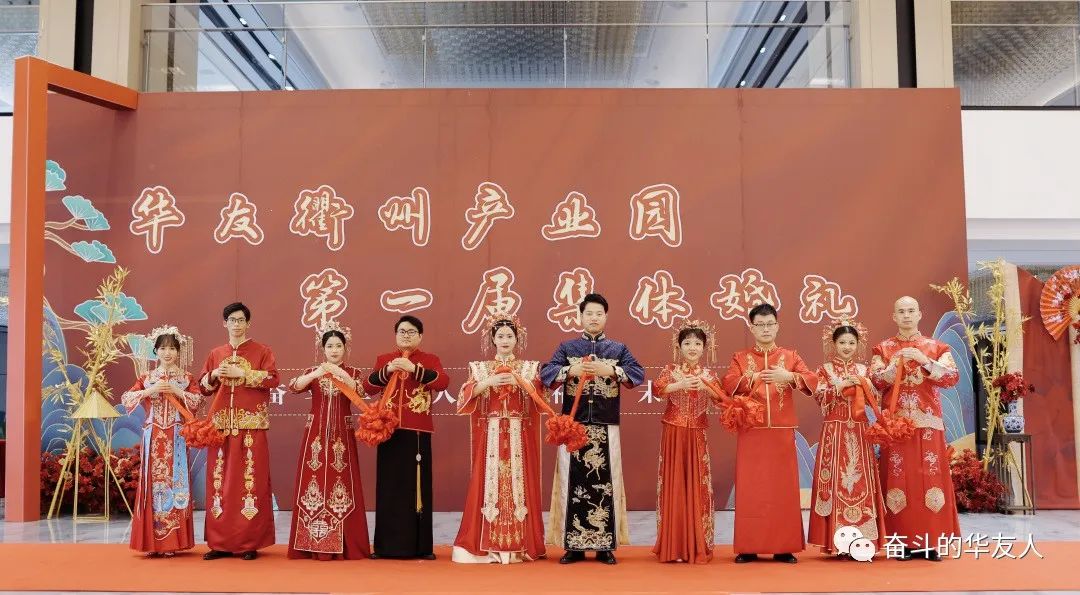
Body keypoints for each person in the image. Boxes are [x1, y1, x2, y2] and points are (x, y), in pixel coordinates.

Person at [541, 293, 644, 565]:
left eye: (599, 313)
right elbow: (546, 373)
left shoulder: (618, 349)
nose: (594, 318)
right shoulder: (567, 347)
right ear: (580, 317)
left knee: (607, 483)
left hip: (605, 425)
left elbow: (637, 374)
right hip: (573, 425)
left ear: (606, 317)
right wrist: (570, 370)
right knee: (571, 482)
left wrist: (610, 371)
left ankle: (604, 547)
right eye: (589, 313)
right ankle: (572, 547)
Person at [720, 303, 816, 564]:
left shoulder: (790, 356)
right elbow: (728, 383)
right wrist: (751, 378)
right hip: (751, 430)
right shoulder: (740, 357)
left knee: (783, 491)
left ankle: (784, 547)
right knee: (752, 489)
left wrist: (789, 376)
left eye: (769, 324)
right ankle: (748, 547)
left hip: (782, 431)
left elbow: (811, 380)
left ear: (777, 326)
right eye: (760, 325)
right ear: (752, 328)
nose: (765, 329)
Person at [870, 296, 961, 561]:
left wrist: (924, 360)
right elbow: (875, 381)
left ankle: (931, 542)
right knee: (898, 481)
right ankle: (901, 543)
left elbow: (952, 377)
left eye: (911, 311)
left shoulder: (937, 347)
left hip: (929, 425)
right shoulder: (883, 349)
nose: (906, 315)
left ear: (920, 314)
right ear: (894, 317)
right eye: (901, 311)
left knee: (929, 481)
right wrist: (893, 366)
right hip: (896, 427)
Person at [452, 314, 546, 564]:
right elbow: (464, 397)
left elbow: (540, 397)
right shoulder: (479, 368)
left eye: (509, 336)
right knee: (489, 486)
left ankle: (520, 546)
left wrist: (521, 381)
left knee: (519, 486)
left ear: (517, 339)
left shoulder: (529, 368)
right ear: (492, 339)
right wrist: (488, 382)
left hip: (518, 435)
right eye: (500, 336)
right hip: (491, 434)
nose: (505, 340)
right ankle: (488, 545)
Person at [362, 315, 450, 559]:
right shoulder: (385, 359)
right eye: (402, 331)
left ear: (420, 336)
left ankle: (420, 547)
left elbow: (443, 382)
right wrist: (388, 370)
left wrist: (415, 369)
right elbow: (368, 387)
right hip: (387, 431)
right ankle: (385, 547)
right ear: (395, 335)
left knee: (416, 489)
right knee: (389, 488)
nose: (406, 335)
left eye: (411, 332)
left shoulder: (429, 359)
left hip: (417, 432)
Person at [199, 302, 279, 561]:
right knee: (219, 485)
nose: (236, 324)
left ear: (248, 323)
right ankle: (219, 543)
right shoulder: (215, 353)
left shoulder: (262, 351)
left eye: (241, 320)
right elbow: (203, 388)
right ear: (224, 323)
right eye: (232, 320)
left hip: (251, 427)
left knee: (249, 483)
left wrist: (242, 373)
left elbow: (273, 379)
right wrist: (213, 374)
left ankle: (249, 542)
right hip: (220, 428)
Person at [286, 322, 371, 560]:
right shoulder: (313, 372)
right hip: (315, 436)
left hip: (342, 436)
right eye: (330, 346)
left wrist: (342, 375)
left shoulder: (353, 372)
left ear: (345, 348)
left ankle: (346, 544)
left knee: (343, 482)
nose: (334, 350)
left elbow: (361, 392)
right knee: (312, 483)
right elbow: (294, 386)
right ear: (322, 349)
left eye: (338, 346)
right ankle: (311, 543)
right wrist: (316, 374)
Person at [807, 320, 887, 555]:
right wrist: (840, 386)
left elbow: (876, 398)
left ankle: (864, 538)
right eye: (842, 342)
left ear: (858, 345)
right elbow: (819, 397)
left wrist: (864, 384)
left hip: (860, 431)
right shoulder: (824, 370)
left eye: (852, 343)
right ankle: (837, 542)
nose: (847, 347)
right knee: (834, 481)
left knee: (863, 482)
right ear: (834, 344)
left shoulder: (864, 370)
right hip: (834, 432)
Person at [121, 326, 201, 557]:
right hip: (153, 436)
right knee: (153, 485)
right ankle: (151, 542)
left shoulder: (186, 378)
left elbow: (198, 402)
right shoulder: (147, 378)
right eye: (163, 348)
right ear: (155, 351)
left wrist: (178, 390)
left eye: (172, 348)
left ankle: (171, 543)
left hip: (176, 437)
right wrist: (150, 390)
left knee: (176, 483)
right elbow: (126, 398)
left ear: (178, 351)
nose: (168, 353)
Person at [652, 320, 725, 563]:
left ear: (704, 348)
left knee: (697, 485)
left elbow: (722, 400)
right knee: (673, 484)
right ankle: (672, 546)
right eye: (687, 343)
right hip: (673, 433)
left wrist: (708, 387)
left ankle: (696, 544)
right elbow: (657, 389)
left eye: (697, 343)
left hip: (697, 434)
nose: (692, 348)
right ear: (679, 346)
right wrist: (680, 384)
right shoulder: (670, 370)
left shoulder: (709, 374)